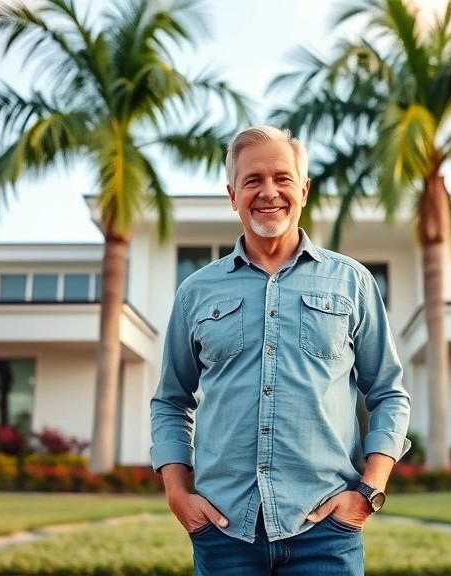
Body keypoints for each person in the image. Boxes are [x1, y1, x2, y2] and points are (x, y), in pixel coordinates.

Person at [149, 124, 411, 575]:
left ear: (303, 190)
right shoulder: (195, 292)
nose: (268, 192)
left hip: (327, 534)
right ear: (232, 195)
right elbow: (171, 401)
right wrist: (178, 494)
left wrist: (369, 491)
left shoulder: (352, 283)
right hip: (224, 534)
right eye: (252, 180)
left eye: (282, 178)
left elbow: (388, 392)